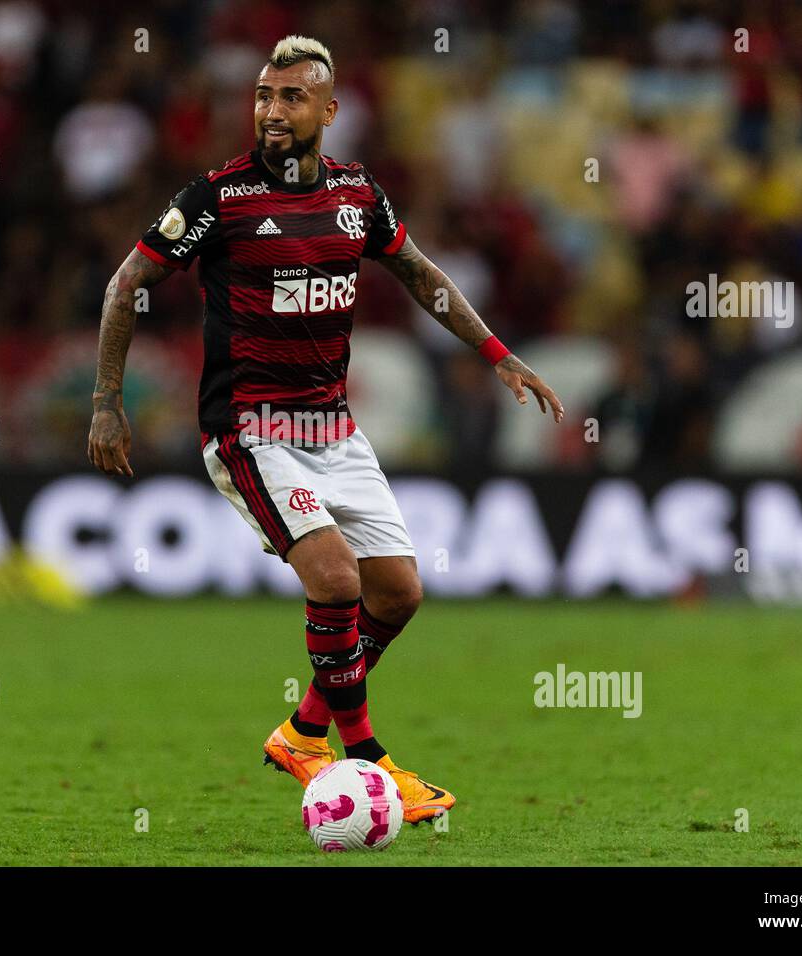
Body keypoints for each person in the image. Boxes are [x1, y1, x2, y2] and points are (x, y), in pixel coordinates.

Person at [88, 35, 565, 823]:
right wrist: (108, 399)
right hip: (251, 430)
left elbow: (420, 274)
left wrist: (497, 353)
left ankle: (304, 730)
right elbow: (125, 282)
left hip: (334, 431)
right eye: (263, 98)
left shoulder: (357, 193)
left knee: (399, 593)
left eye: (292, 98)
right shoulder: (219, 198)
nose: (272, 112)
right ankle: (371, 762)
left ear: (330, 110)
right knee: (338, 581)